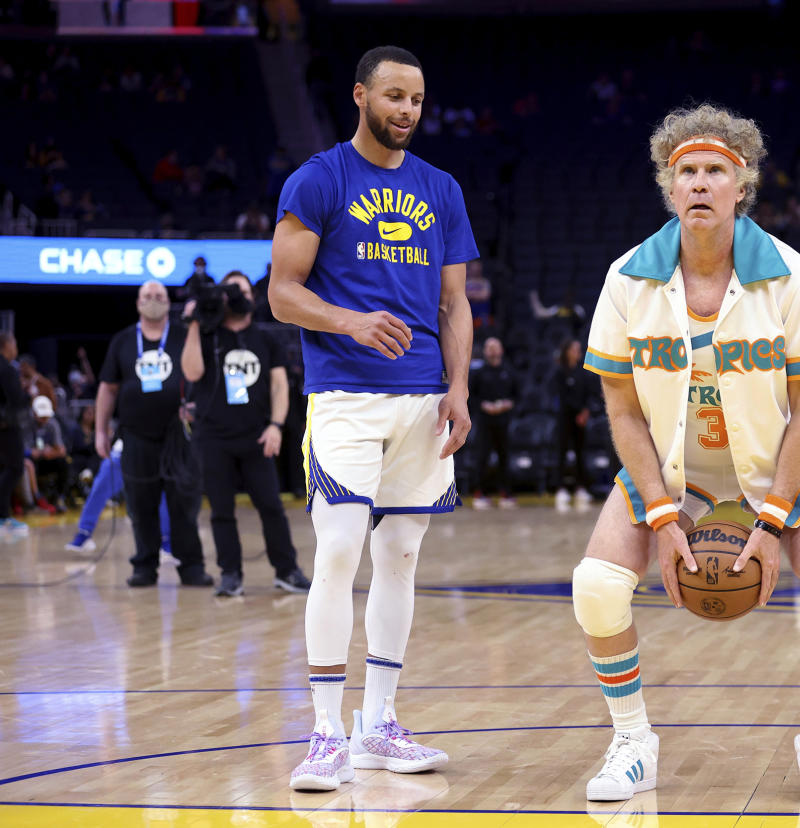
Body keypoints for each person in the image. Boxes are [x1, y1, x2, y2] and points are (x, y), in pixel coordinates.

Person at [573, 104, 800, 804]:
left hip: (777, 462)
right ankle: (634, 741)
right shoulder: (627, 279)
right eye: (687, 172)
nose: (700, 183)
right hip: (673, 468)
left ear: (742, 186)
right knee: (597, 588)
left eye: (715, 171)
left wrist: (770, 522)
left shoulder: (790, 276)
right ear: (670, 189)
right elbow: (622, 410)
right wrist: (665, 518)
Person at [269, 45, 477, 792]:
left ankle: (377, 725)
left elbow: (455, 304)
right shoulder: (319, 179)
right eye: (393, 96)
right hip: (346, 396)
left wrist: (458, 388)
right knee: (337, 553)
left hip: (425, 400)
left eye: (417, 100)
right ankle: (325, 732)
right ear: (361, 96)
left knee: (402, 559)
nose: (407, 112)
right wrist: (353, 323)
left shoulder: (441, 189)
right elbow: (282, 293)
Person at [181, 270, 310, 597]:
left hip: (257, 435)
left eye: (242, 290)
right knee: (221, 511)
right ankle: (231, 574)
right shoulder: (208, 336)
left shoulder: (266, 339)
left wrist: (276, 426)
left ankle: (286, 570)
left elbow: (280, 385)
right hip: (213, 437)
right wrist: (195, 323)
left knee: (271, 506)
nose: (237, 296)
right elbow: (192, 372)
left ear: (253, 298)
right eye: (230, 290)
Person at [96, 280, 212, 588]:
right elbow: (108, 389)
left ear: (167, 302)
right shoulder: (122, 341)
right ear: (137, 303)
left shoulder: (182, 335)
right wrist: (99, 431)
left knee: (184, 503)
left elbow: (200, 376)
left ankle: (192, 567)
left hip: (178, 436)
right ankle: (144, 567)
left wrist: (195, 407)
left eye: (159, 296)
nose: (153, 300)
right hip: (135, 436)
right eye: (147, 296)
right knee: (140, 505)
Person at [66, 437, 170, 556]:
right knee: (100, 486)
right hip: (124, 448)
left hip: (155, 449)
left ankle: (166, 538)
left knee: (162, 492)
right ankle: (84, 532)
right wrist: (101, 433)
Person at [468, 336, 518, 509]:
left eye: (495, 346)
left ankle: (506, 494)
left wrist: (507, 404)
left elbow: (517, 395)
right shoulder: (479, 373)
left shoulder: (509, 371)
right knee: (482, 457)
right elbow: (471, 397)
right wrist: (484, 405)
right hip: (485, 421)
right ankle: (479, 494)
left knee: (505, 457)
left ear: (501, 350)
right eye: (489, 347)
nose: (492, 349)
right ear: (485, 351)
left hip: (504, 421)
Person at [553, 338, 595, 511]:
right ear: (567, 351)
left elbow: (590, 394)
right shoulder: (559, 372)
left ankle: (581, 488)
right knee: (561, 453)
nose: (579, 352)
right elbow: (561, 397)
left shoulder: (583, 372)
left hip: (580, 419)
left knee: (580, 453)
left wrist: (585, 412)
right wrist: (578, 411)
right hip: (564, 418)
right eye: (575, 349)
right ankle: (560, 489)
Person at [0, 333, 28, 537]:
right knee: (15, 467)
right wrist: (28, 394)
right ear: (6, 345)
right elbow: (16, 399)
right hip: (7, 426)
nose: (16, 348)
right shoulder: (8, 369)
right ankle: (3, 517)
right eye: (15, 343)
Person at [28, 395, 69, 512]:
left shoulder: (53, 424)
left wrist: (50, 452)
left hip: (47, 459)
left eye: (46, 416)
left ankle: (59, 497)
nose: (44, 419)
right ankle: (36, 500)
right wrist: (42, 452)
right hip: (32, 462)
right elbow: (29, 451)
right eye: (42, 416)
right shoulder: (27, 424)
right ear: (34, 413)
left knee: (63, 463)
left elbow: (61, 450)